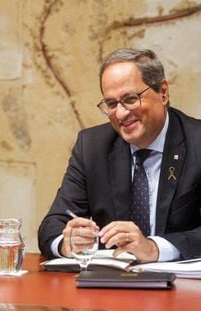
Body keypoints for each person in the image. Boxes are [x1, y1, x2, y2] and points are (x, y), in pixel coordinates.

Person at [38, 48, 201, 263]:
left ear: (163, 93)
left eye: (131, 99)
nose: (121, 114)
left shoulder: (196, 142)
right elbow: (52, 226)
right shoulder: (92, 147)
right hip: (111, 288)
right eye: (112, 104)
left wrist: (154, 249)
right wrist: (68, 243)